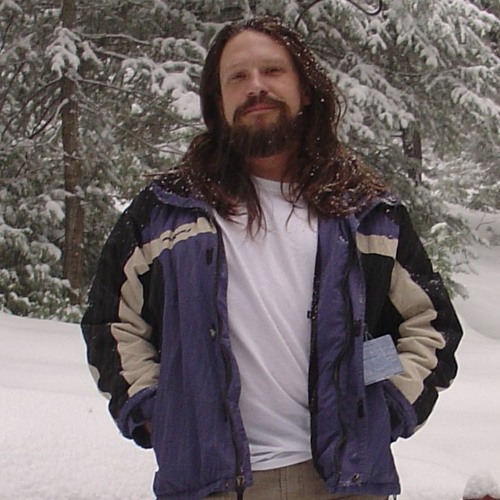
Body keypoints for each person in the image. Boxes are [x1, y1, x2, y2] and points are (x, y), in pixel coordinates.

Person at [81, 17, 463, 500]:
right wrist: (159, 415)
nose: (256, 87)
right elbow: (110, 323)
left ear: (305, 89)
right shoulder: (164, 213)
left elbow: (428, 324)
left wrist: (384, 406)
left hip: (343, 483)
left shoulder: (366, 212)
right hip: (211, 484)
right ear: (218, 103)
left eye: (273, 71)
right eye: (237, 77)